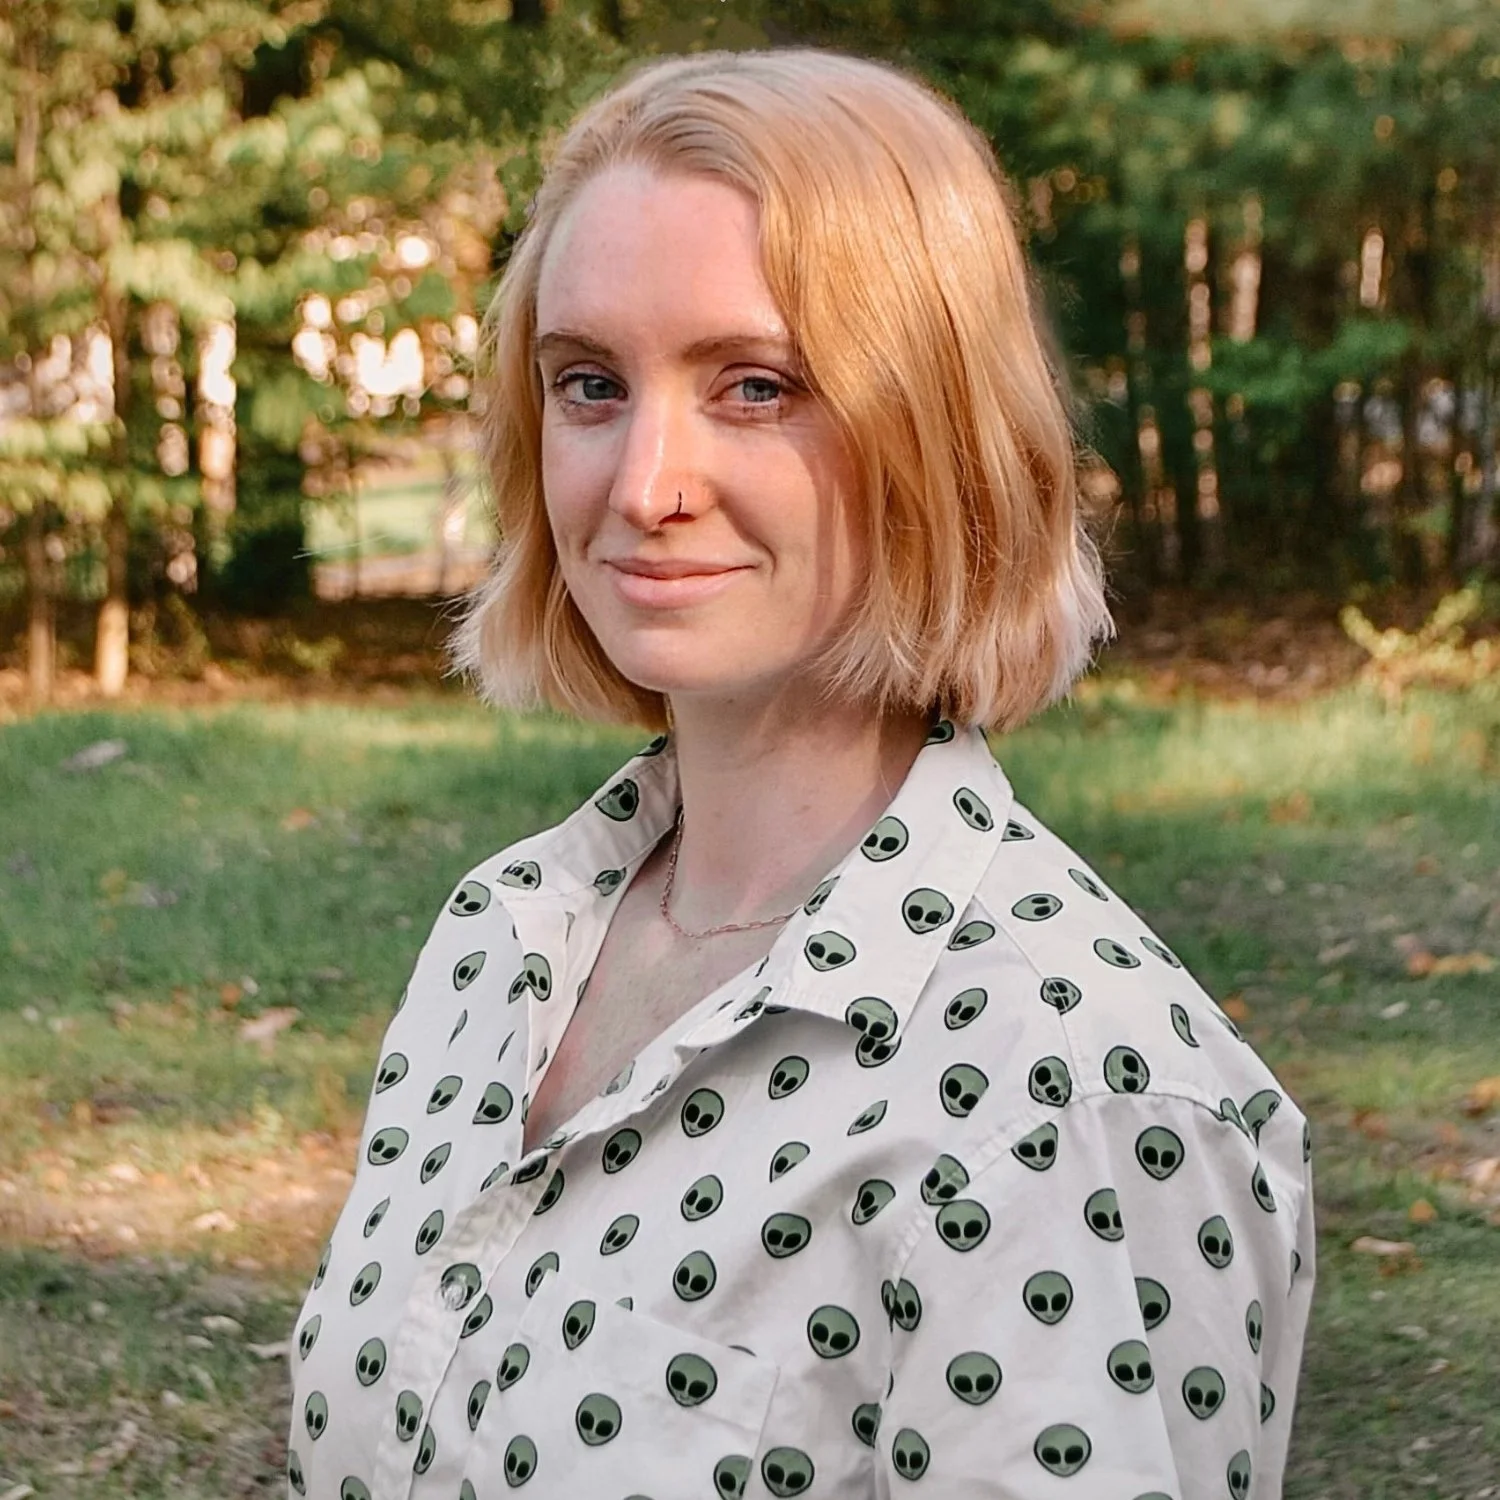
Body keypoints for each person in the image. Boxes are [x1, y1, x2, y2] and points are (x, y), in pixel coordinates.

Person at [287, 46, 1314, 1500]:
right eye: (590, 384)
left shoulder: (1076, 1098)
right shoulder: (503, 936)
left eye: (755, 386)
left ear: (936, 432)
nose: (645, 484)